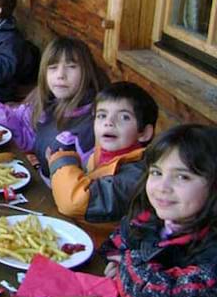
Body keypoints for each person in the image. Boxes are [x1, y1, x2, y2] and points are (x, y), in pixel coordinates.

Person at [102, 124, 217, 297]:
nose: (162, 187)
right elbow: (115, 242)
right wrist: (123, 262)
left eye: (182, 177)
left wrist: (125, 264)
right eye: (157, 172)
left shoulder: (212, 254)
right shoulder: (149, 218)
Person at [0, 36, 107, 184]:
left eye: (71, 66)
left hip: (65, 201)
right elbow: (25, 136)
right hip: (41, 187)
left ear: (87, 72)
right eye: (52, 68)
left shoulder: (94, 123)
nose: (61, 75)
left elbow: (91, 183)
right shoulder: (45, 105)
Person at [48, 82, 158, 241]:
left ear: (144, 133)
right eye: (102, 115)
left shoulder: (137, 174)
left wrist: (61, 162)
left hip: (104, 254)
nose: (109, 122)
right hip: (77, 235)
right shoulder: (101, 154)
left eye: (124, 117)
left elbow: (73, 202)